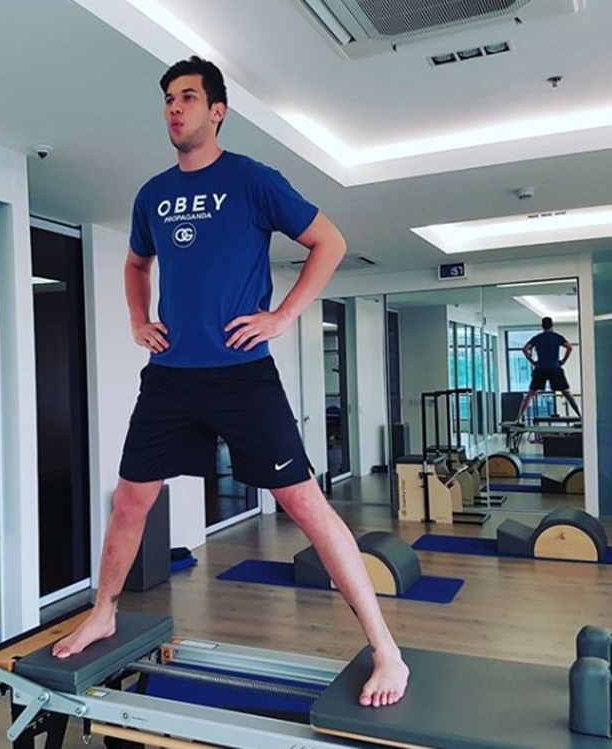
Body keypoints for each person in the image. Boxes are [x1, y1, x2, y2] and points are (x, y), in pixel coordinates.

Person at [52, 55, 409, 708]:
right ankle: (103, 610)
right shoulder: (152, 195)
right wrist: (138, 319)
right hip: (170, 379)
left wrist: (282, 315)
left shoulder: (252, 180)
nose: (174, 107)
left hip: (242, 376)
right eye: (168, 98)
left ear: (217, 111)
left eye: (188, 97)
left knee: (305, 505)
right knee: (130, 500)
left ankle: (387, 648)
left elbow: (329, 242)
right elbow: (135, 264)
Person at [515, 316, 581, 423]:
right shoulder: (557, 337)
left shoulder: (538, 338)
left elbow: (525, 349)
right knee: (566, 393)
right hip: (555, 367)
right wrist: (563, 361)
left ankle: (518, 419)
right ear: (552, 325)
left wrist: (532, 361)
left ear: (542, 326)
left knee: (531, 393)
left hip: (541, 368)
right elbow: (569, 347)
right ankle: (580, 416)